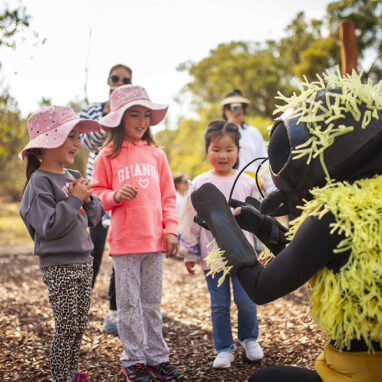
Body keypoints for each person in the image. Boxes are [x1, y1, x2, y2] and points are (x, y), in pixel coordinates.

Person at [190, 70, 382, 381]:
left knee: (262, 379)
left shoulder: (333, 214)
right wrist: (265, 228)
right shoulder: (366, 202)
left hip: (356, 373)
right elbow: (313, 257)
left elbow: (262, 288)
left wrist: (224, 226)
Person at [91, 84, 181, 382]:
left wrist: (170, 231)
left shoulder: (156, 154)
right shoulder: (106, 156)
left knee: (152, 305)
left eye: (146, 115)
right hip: (125, 244)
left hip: (154, 241)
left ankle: (157, 358)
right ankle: (133, 361)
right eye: (134, 115)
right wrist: (115, 196)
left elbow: (169, 196)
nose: (142, 121)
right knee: (129, 306)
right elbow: (96, 194)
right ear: (119, 119)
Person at [18, 106, 105, 382]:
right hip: (59, 265)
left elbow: (94, 218)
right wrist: (75, 199)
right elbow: (49, 227)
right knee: (66, 325)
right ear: (43, 147)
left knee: (78, 324)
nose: (76, 142)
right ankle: (59, 376)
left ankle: (70, 371)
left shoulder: (73, 176)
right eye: (69, 136)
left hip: (83, 261)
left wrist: (89, 199)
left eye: (77, 136)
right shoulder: (39, 183)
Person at [179, 120, 263, 369]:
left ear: (238, 150)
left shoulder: (247, 181)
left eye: (229, 149)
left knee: (247, 301)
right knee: (219, 304)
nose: (223, 155)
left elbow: (260, 217)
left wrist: (262, 249)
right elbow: (189, 219)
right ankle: (224, 348)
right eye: (216, 149)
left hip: (245, 254)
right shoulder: (200, 184)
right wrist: (190, 252)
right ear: (207, 151)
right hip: (212, 256)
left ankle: (250, 339)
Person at [80, 63, 133, 334]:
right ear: (108, 81)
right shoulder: (92, 110)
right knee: (91, 252)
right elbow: (88, 142)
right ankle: (80, 306)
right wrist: (110, 115)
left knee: (121, 255)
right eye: (116, 78)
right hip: (95, 194)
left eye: (126, 79)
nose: (120, 82)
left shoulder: (132, 114)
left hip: (124, 194)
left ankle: (114, 310)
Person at [221, 89, 273, 194]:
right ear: (226, 110)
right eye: (233, 107)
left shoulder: (253, 132)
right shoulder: (219, 133)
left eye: (240, 106)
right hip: (229, 185)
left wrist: (270, 188)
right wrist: (230, 124)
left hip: (254, 185)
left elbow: (264, 161)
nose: (238, 110)